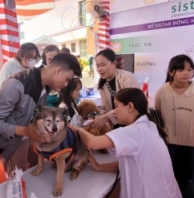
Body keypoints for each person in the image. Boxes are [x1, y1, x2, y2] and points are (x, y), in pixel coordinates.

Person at [75, 88, 182, 198]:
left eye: (116, 106)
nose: (114, 111)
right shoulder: (149, 126)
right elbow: (130, 163)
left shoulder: (136, 131)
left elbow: (93, 143)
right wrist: (99, 166)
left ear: (130, 106)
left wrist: (78, 129)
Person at [0, 53, 82, 175]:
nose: (66, 85)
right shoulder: (16, 84)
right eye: (67, 79)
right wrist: (24, 131)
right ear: (58, 71)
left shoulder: (46, 85)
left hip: (33, 138)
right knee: (18, 182)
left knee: (36, 174)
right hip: (13, 143)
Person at [155, 54, 194, 198]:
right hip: (169, 145)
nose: (187, 73)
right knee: (169, 178)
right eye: (181, 69)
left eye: (190, 69)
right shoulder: (162, 92)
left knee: (189, 181)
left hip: (191, 145)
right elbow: (157, 117)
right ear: (171, 72)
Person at [92, 48, 140, 129]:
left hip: (133, 123)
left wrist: (106, 117)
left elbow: (130, 105)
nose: (100, 69)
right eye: (97, 65)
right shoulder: (103, 84)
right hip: (116, 124)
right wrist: (98, 119)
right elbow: (104, 108)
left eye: (103, 65)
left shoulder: (127, 77)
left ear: (114, 63)